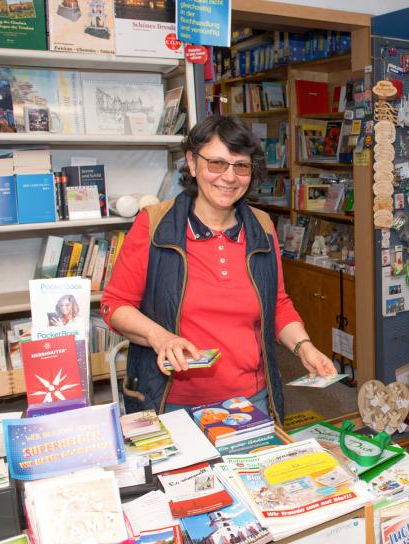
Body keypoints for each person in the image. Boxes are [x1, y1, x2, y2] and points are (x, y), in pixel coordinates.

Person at [102, 115, 335, 420]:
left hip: (251, 399)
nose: (229, 177)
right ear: (192, 162)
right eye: (216, 164)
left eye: (241, 166)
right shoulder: (155, 224)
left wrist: (304, 347)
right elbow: (115, 305)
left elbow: (277, 304)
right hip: (171, 403)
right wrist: (161, 337)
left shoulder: (262, 227)